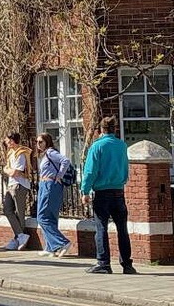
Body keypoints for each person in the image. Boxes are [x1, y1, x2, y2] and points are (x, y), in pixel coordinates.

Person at [81, 117, 136, 274]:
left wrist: (85, 191)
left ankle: (103, 263)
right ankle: (127, 264)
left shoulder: (97, 146)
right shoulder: (121, 145)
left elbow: (90, 171)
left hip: (102, 193)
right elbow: (125, 168)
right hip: (119, 192)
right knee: (122, 229)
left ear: (100, 130)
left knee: (101, 228)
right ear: (115, 129)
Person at [35, 133, 73, 258]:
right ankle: (50, 248)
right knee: (50, 217)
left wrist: (59, 176)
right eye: (37, 142)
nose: (38, 144)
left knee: (42, 217)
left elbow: (65, 160)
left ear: (47, 142)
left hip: (50, 185)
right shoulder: (45, 154)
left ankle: (63, 242)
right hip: (45, 185)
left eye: (41, 142)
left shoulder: (50, 152)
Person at [2, 132, 33, 251]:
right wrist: (9, 170)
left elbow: (15, 172)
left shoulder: (21, 153)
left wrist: (6, 169)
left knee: (20, 213)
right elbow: (12, 171)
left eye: (7, 140)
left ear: (12, 141)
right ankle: (20, 235)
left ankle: (19, 237)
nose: (5, 142)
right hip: (11, 185)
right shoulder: (11, 153)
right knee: (7, 210)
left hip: (19, 185)